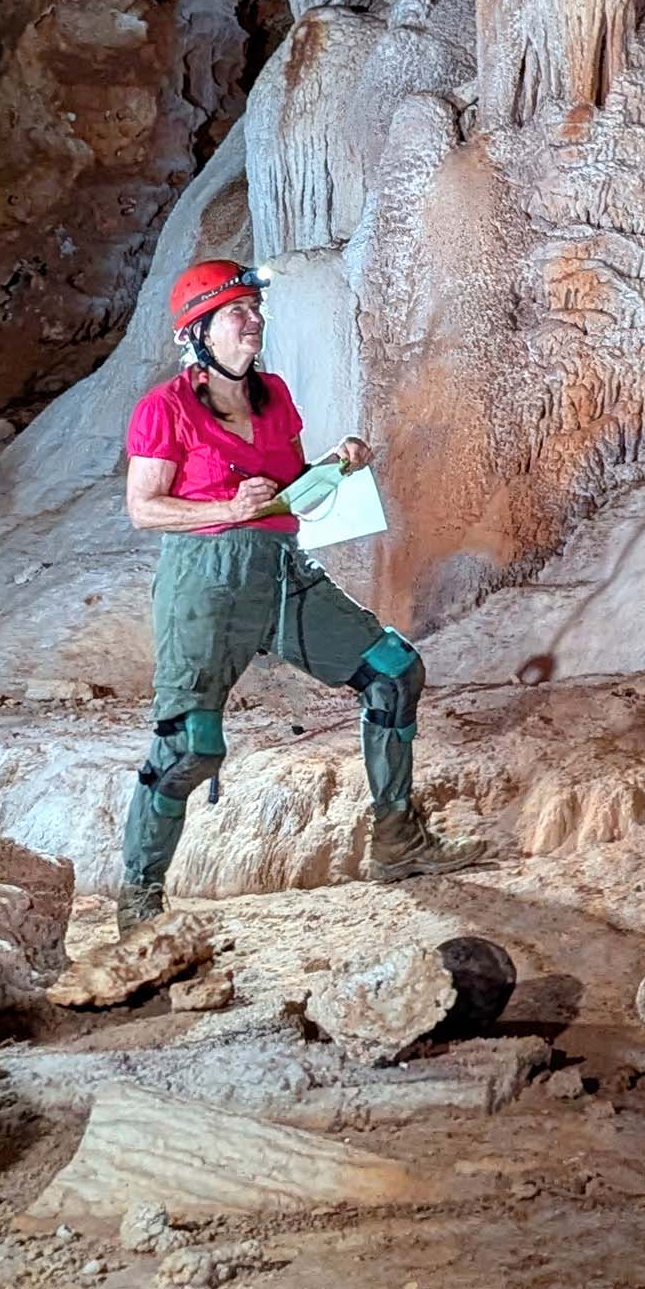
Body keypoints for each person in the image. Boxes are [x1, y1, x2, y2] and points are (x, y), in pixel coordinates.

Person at [114, 257, 468, 933]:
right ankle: (139, 902)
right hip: (205, 580)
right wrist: (225, 507)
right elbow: (144, 508)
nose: (254, 323)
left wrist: (339, 464)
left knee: (394, 672)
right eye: (236, 314)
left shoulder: (273, 397)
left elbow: (295, 482)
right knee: (190, 745)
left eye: (254, 310)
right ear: (199, 334)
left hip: (282, 572)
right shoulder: (164, 409)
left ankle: (396, 840)